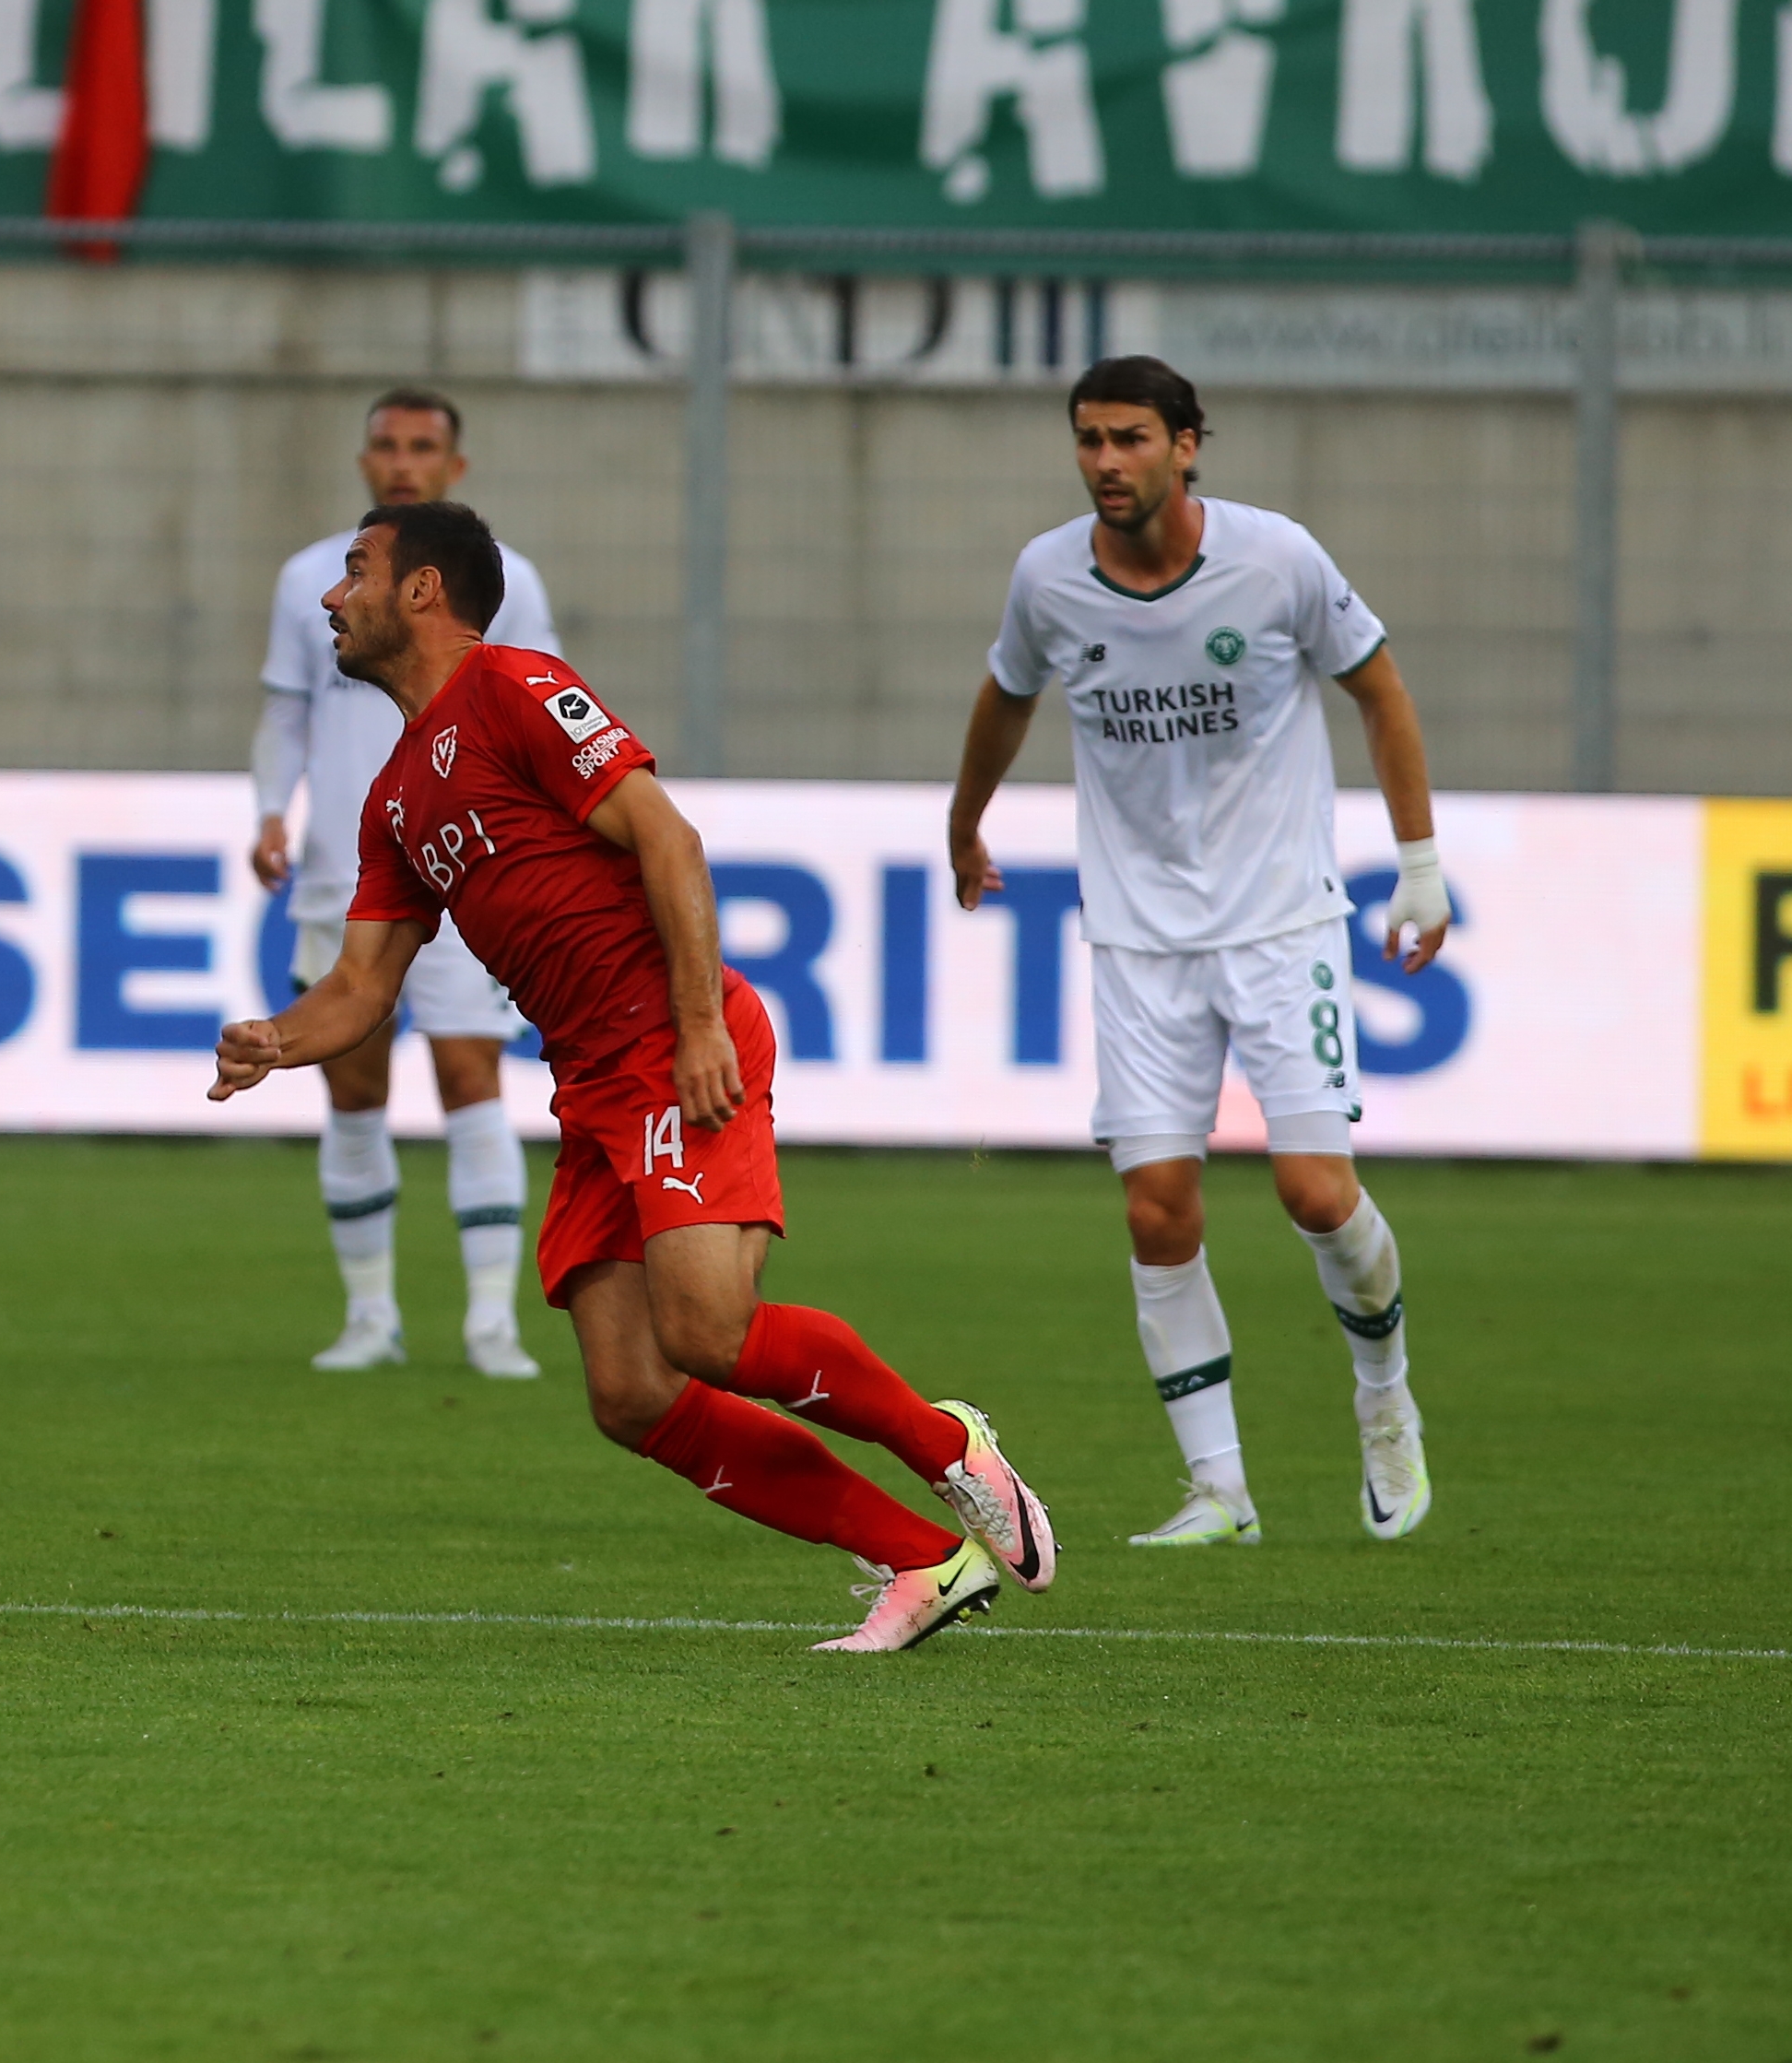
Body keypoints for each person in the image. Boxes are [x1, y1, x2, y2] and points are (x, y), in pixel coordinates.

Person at [212, 502, 1056, 1654]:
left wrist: (698, 1021)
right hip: (592, 1078)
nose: (329, 596)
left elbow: (667, 838)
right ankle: (916, 1558)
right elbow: (360, 990)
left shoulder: (517, 684)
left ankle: (944, 1443)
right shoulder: (395, 798)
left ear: (421, 591)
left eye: (354, 571)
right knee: (630, 1389)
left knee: (707, 1331)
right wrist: (275, 1037)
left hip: (669, 1036)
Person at [945, 356, 1450, 1550]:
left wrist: (1417, 865)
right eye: (1087, 439)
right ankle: (1218, 1487)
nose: (1105, 461)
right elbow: (1006, 693)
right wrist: (963, 818)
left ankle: (1385, 1402)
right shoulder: (1048, 576)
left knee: (1314, 1192)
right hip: (1137, 940)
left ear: (1187, 445)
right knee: (1157, 1212)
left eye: (1129, 437)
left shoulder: (1277, 560)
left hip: (1281, 922)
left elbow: (1379, 692)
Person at [252, 388, 558, 1379]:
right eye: (385, 444)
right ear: (362, 458)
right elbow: (286, 715)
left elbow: (543, 717)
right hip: (347, 866)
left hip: (470, 863)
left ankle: (489, 1324)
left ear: (454, 466)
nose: (402, 460)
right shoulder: (314, 579)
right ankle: (371, 1315)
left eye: (422, 446)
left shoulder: (509, 583)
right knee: (351, 1085)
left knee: (473, 1078)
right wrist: (269, 810)